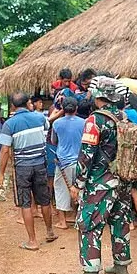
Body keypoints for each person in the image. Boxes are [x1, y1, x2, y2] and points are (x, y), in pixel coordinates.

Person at [70, 77, 131, 274]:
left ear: (98, 96)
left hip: (100, 182)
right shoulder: (124, 117)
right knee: (120, 222)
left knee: (88, 224)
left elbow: (86, 156)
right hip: (123, 180)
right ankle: (121, 266)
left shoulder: (95, 120)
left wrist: (77, 183)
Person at [0, 92, 57, 251]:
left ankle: (32, 241)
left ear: (13, 106)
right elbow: (47, 128)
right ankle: (50, 232)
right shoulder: (39, 118)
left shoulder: (9, 124)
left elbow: (4, 150)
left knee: (25, 203)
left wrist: (1, 174)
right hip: (40, 165)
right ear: (28, 103)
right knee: (44, 200)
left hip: (22, 168)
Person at [50, 97, 84, 229]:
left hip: (63, 162)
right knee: (80, 189)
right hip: (80, 161)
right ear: (76, 109)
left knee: (61, 190)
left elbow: (54, 141)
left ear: (63, 109)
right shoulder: (84, 122)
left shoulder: (57, 123)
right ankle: (78, 218)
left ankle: (62, 221)